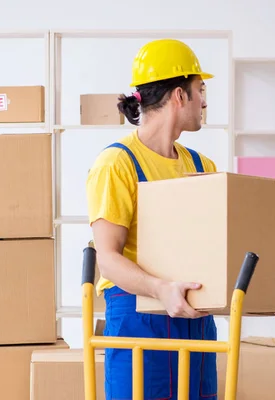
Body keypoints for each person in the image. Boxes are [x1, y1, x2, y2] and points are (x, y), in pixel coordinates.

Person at [85, 38, 219, 400]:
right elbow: (108, 259)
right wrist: (160, 289)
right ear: (179, 95)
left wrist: (272, 300)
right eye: (199, 89)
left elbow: (219, 250)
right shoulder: (118, 164)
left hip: (195, 317)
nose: (204, 101)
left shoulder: (202, 167)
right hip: (139, 317)